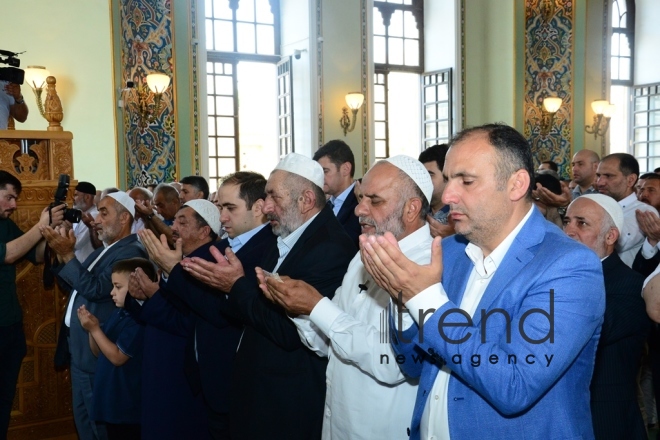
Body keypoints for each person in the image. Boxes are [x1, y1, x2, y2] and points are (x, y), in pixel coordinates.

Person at [359, 123, 605, 439]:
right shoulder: (449, 252)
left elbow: (514, 385)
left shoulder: (569, 266)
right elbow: (414, 366)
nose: (447, 195)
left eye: (467, 181)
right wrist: (403, 300)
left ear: (516, 185)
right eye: (447, 180)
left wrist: (424, 298)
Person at [180, 153, 356, 440]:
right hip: (261, 396)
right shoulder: (285, 235)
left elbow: (288, 331)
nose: (267, 206)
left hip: (287, 405)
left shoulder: (330, 249)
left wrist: (234, 285)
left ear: (306, 200)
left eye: (274, 197)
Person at [258, 155, 434, 439]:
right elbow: (329, 343)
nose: (359, 210)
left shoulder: (426, 266)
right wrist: (299, 308)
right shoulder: (363, 255)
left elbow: (390, 362)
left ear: (411, 208)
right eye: (361, 198)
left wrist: (315, 305)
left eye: (374, 201)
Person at [164, 172, 276, 439]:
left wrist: (172, 269)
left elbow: (221, 312)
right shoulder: (223, 246)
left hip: (240, 382)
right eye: (220, 207)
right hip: (214, 377)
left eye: (230, 208)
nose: (222, 217)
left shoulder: (269, 249)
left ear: (258, 208)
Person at [42, 192, 148, 440]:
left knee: (98, 426)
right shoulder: (106, 249)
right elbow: (77, 286)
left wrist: (68, 255)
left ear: (124, 218)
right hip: (80, 351)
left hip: (96, 354)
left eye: (103, 213)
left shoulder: (129, 251)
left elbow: (97, 290)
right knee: (84, 423)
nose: (96, 220)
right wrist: (60, 252)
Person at [563, 194, 651, 439]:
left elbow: (591, 330)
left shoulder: (630, 285)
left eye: (581, 223)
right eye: (566, 221)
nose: (568, 231)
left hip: (604, 419)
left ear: (610, 237)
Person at [0, 171, 64, 438]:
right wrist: (40, 225)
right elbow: (8, 253)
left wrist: (50, 233)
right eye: (9, 197)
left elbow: (34, 255)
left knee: (3, 401)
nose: (14, 205)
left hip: (10, 326)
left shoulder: (5, 224)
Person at [76, 258, 157, 440]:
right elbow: (99, 352)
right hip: (110, 399)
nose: (112, 292)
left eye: (118, 287)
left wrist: (95, 329)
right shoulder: (119, 312)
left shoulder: (139, 320)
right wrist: (93, 330)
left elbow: (118, 358)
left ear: (137, 284)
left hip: (127, 404)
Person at [596, 153, 658, 267]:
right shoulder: (595, 205)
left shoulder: (644, 211)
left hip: (622, 282)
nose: (600, 182)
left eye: (609, 176)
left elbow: (615, 242)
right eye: (598, 175)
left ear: (631, 180)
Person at [313, 140, 361, 247]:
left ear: (345, 169)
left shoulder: (360, 203)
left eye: (325, 171)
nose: (320, 178)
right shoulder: (323, 203)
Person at [419, 144, 455, 238]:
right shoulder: (417, 210)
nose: (423, 180)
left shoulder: (459, 215)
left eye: (430, 175)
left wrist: (454, 236)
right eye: (421, 175)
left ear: (447, 177)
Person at [71, 181, 100, 262]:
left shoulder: (94, 216)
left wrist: (65, 229)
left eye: (76, 195)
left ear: (87, 197)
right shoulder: (80, 213)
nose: (73, 198)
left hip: (87, 267)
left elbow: (76, 244)